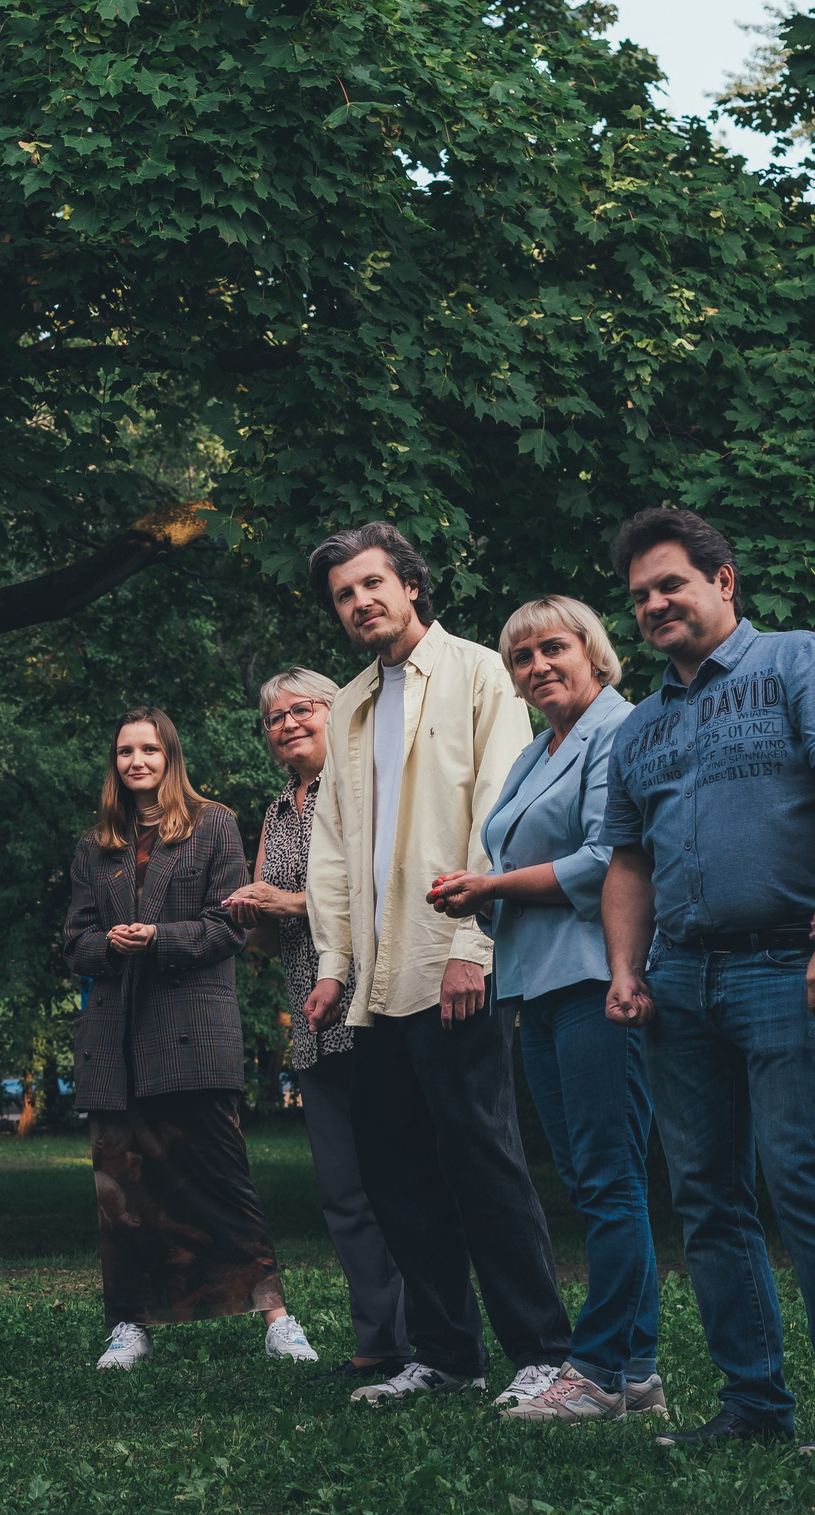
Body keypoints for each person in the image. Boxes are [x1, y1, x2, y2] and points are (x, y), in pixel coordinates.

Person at [598, 506, 815, 1458]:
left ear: (723, 581)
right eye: (640, 595)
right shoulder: (639, 728)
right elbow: (628, 861)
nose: (654, 604)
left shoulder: (802, 662)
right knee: (706, 1197)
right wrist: (625, 969)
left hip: (789, 964)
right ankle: (754, 1404)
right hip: (680, 981)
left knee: (802, 1179)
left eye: (671, 584)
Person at [296, 523, 569, 1411]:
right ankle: (446, 1353)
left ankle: (542, 1349)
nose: (360, 602)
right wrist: (333, 964)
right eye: (345, 594)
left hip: (452, 960)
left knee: (483, 1159)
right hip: (374, 983)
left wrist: (472, 946)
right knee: (396, 1170)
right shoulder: (346, 706)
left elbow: (501, 811)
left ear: (411, 584)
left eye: (373, 583)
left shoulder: (480, 673)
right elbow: (333, 848)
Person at [428, 597, 660, 1423]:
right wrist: (482, 898)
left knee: (609, 1178)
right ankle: (637, 1374)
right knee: (590, 1178)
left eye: (553, 648)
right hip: (538, 983)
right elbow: (513, 851)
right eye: (521, 658)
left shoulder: (619, 730)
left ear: (594, 651)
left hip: (601, 978)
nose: (537, 667)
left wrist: (490, 885)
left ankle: (596, 1369)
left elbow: (605, 858)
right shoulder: (536, 752)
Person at [62, 707, 313, 1371]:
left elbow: (231, 926)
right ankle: (129, 1324)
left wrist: (159, 937)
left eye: (149, 749)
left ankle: (277, 1318)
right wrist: (108, 944)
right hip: (116, 1037)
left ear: (170, 756)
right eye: (125, 751)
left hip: (191, 1032)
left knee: (221, 1180)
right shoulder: (96, 843)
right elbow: (75, 940)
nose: (136, 761)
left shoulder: (213, 824)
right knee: (122, 1191)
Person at [223, 670, 410, 1386]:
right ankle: (378, 1343)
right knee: (343, 1191)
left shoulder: (365, 786)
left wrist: (292, 902)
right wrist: (252, 918)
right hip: (312, 1019)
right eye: (274, 717)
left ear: (336, 711)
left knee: (400, 1178)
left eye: (302, 709)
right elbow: (271, 940)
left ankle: (434, 1340)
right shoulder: (276, 811)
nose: (288, 723)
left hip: (375, 1007)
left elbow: (381, 889)